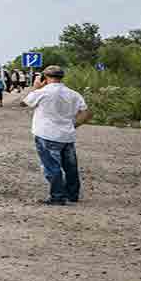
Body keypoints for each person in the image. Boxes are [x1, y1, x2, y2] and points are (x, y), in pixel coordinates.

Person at [23, 65, 93, 206]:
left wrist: (36, 88)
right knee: (70, 167)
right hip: (67, 135)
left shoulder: (42, 92)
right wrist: (73, 125)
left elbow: (25, 103)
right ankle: (72, 195)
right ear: (61, 77)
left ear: (45, 77)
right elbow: (86, 113)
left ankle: (57, 196)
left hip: (46, 134)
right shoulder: (73, 94)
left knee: (52, 166)